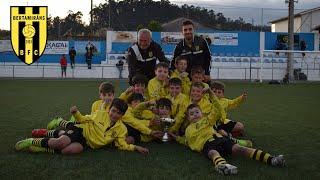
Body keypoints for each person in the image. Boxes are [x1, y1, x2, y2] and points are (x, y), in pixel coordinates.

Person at [169, 90, 285, 175]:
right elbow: (186, 141)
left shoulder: (207, 120)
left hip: (221, 139)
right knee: (213, 153)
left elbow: (218, 110)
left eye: (196, 112)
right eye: (191, 114)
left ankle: (271, 159)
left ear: (202, 113)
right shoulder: (189, 129)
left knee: (240, 149)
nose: (194, 115)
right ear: (188, 118)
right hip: (207, 145)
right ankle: (222, 166)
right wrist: (175, 137)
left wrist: (211, 94)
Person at [15, 98, 150, 155]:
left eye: (118, 113)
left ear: (122, 115)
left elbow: (122, 145)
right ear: (110, 109)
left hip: (87, 144)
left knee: (67, 151)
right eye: (113, 111)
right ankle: (30, 141)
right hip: (81, 131)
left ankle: (44, 148)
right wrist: (75, 113)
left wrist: (136, 147)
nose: (114, 114)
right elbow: (83, 120)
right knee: (60, 143)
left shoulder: (122, 129)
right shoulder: (100, 114)